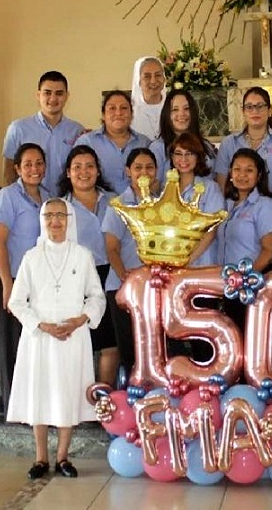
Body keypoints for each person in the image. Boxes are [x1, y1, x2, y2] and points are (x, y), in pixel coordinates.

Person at [7, 198, 106, 481]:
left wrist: (80, 319)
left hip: (73, 337)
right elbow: (16, 301)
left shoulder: (82, 255)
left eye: (60, 215)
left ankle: (63, 456)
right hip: (40, 337)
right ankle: (41, 457)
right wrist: (42, 325)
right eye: (49, 215)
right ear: (42, 220)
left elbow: (97, 297)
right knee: (39, 393)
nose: (55, 221)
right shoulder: (32, 257)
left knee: (67, 393)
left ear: (69, 219)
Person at [0, 143, 49, 412]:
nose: (34, 169)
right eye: (27, 164)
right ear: (17, 168)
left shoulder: (49, 198)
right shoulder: (7, 197)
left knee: (36, 340)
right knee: (12, 342)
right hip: (12, 278)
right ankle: (14, 402)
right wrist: (7, 284)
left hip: (41, 281)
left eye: (39, 163)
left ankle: (36, 400)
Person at [58, 145, 119, 386]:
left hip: (112, 275)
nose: (84, 172)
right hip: (76, 279)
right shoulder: (60, 207)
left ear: (98, 171)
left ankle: (103, 403)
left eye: (90, 166)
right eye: (77, 167)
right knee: (77, 342)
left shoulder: (114, 202)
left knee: (110, 344)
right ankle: (76, 404)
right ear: (68, 173)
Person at [102, 147, 160, 374]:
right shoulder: (119, 205)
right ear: (128, 171)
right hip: (123, 288)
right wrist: (128, 280)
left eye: (149, 167)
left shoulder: (161, 205)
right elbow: (111, 248)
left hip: (154, 289)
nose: (143, 172)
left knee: (154, 352)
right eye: (138, 167)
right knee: (130, 352)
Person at [217, 148, 272, 331]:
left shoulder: (265, 206)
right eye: (237, 169)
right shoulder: (226, 206)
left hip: (252, 287)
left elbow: (269, 250)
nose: (242, 175)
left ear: (259, 175)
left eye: (249, 170)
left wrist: (243, 280)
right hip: (228, 287)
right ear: (230, 173)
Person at [2, 71, 84, 192]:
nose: (53, 98)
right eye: (47, 93)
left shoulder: (77, 130)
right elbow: (9, 173)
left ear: (67, 96)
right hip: (29, 203)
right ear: (38, 95)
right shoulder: (18, 129)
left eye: (59, 93)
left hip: (66, 203)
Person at [215, 86, 272, 198]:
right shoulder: (229, 143)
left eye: (260, 106)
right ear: (243, 111)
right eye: (249, 107)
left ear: (270, 111)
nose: (255, 111)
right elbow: (221, 186)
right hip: (236, 212)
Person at [75, 90, 150, 195]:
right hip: (99, 208)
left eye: (124, 108)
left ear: (132, 114)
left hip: (137, 208)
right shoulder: (87, 142)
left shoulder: (144, 143)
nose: (118, 113)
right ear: (103, 115)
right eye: (112, 108)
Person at [169, 132, 225, 266]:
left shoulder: (210, 188)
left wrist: (186, 261)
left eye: (189, 153)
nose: (183, 159)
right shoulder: (168, 190)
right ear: (172, 157)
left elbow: (210, 233)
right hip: (174, 264)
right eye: (178, 153)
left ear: (198, 157)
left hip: (203, 264)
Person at [150, 89, 215, 183]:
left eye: (186, 109)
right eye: (175, 109)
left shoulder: (206, 146)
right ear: (167, 114)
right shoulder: (157, 148)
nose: (181, 114)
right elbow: (154, 187)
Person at [130, 56, 166, 140]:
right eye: (147, 76)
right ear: (139, 81)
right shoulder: (130, 111)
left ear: (164, 79)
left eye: (158, 75)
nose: (153, 81)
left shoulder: (173, 107)